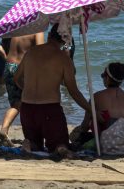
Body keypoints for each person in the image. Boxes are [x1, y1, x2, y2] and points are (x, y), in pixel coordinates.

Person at [14, 25, 90, 156]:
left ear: (49, 35)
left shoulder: (31, 52)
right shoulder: (63, 58)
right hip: (49, 109)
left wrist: (27, 89)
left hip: (27, 108)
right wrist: (90, 109)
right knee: (60, 144)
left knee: (35, 144)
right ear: (66, 40)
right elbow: (73, 91)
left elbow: (17, 78)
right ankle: (60, 147)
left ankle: (29, 144)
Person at [0, 32, 44, 146]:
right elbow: (40, 52)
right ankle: (33, 134)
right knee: (31, 102)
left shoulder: (19, 30)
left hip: (9, 66)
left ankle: (4, 129)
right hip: (22, 68)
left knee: (16, 103)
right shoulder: (37, 31)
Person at [73, 62, 124, 143]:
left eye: (103, 75)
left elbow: (85, 127)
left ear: (107, 78)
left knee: (74, 135)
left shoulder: (96, 97)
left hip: (107, 143)